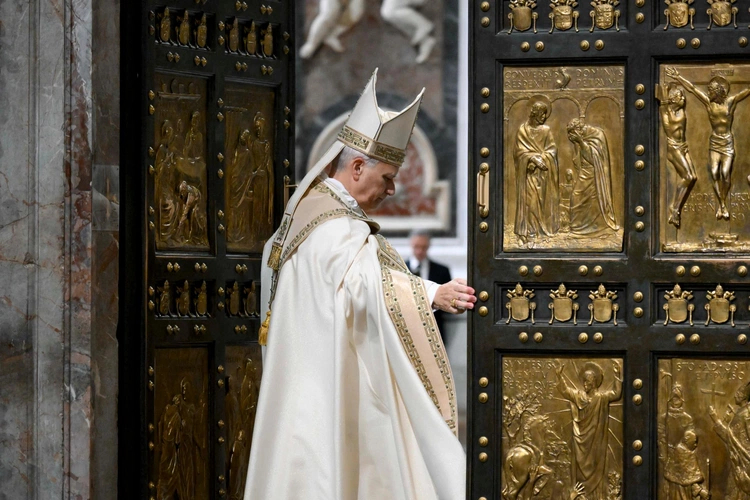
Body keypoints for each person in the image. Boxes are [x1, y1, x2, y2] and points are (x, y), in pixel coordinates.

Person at [244, 69, 474, 499]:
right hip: (327, 384)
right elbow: (366, 286)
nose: (392, 190)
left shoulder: (306, 217)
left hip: (311, 380)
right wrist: (433, 294)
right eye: (387, 177)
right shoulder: (334, 227)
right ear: (356, 167)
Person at [666, 67, 750, 220]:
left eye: (711, 90)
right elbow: (692, 89)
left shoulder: (730, 102)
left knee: (725, 173)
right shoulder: (708, 103)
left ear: (718, 91)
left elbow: (745, 92)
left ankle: (723, 203)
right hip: (715, 142)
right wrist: (678, 77)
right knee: (714, 172)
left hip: (727, 142)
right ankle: (722, 205)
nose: (708, 92)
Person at [556, 360, 623, 500]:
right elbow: (565, 391)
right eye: (583, 381)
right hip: (580, 442)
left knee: (596, 468)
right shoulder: (579, 396)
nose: (584, 384)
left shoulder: (601, 398)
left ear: (593, 382)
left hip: (596, 442)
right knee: (579, 474)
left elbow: (616, 394)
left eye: (587, 381)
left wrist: (617, 375)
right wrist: (559, 376)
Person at [513, 95, 559, 243]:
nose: (544, 117)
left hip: (542, 174)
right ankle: (529, 232)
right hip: (527, 174)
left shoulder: (546, 130)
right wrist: (531, 159)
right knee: (529, 201)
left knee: (539, 201)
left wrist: (541, 159)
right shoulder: (522, 130)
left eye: (545, 114)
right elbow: (518, 152)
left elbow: (552, 150)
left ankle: (539, 231)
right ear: (534, 113)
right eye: (541, 114)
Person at [566, 118, 619, 236]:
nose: (571, 136)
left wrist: (580, 142)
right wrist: (577, 143)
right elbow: (577, 161)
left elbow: (593, 158)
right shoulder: (581, 136)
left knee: (586, 198)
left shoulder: (597, 135)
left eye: (572, 133)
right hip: (584, 172)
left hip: (595, 175)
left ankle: (595, 227)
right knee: (575, 196)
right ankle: (577, 228)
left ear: (578, 130)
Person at [656, 84, 697, 228]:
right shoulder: (666, 111)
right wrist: (663, 92)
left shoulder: (680, 111)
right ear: (673, 99)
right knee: (688, 177)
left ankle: (675, 208)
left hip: (683, 146)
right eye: (680, 97)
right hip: (674, 148)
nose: (683, 99)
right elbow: (662, 102)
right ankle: (675, 209)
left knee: (693, 177)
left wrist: (672, 85)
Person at [407, 229, 453, 346]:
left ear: (428, 246)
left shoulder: (442, 271)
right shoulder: (400, 270)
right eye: (416, 247)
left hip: (434, 331)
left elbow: (448, 300)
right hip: (407, 330)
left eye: (423, 247)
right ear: (411, 245)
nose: (419, 251)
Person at [709, 380, 750, 499]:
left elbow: (730, 438)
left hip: (742, 463)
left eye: (738, 393)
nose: (735, 396)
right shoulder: (743, 413)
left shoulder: (744, 414)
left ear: (743, 397)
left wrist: (715, 419)